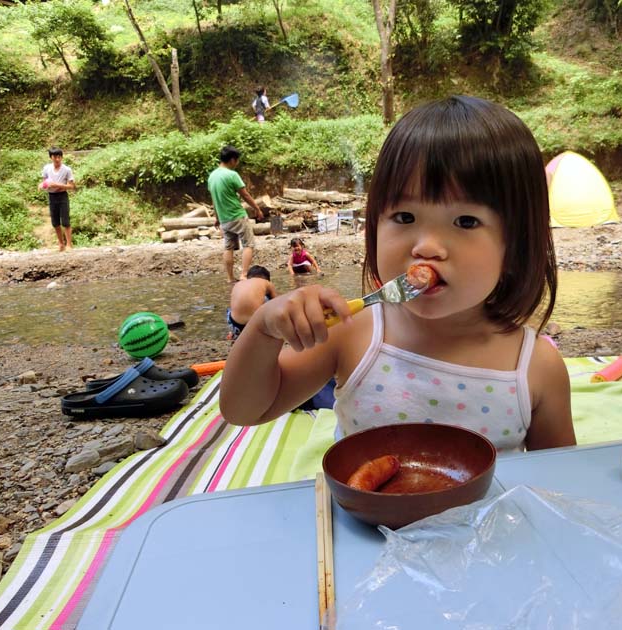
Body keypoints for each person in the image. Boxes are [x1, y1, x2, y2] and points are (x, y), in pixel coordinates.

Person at [219, 96, 576, 452]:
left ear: (515, 245)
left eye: (466, 221)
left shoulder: (535, 367)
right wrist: (264, 328)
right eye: (405, 218)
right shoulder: (352, 331)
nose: (426, 247)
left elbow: (555, 476)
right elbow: (245, 409)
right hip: (363, 507)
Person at [207, 145, 265, 283]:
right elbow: (244, 194)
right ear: (232, 160)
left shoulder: (212, 176)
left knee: (228, 247)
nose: (237, 163)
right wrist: (257, 208)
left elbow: (214, 200)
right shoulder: (232, 175)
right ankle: (244, 275)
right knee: (248, 244)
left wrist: (217, 218)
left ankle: (229, 278)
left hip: (224, 219)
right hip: (237, 216)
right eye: (237, 160)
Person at [227, 265, 277, 341]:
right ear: (268, 280)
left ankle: (233, 333)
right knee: (269, 300)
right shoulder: (267, 283)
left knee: (230, 309)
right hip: (254, 325)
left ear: (248, 278)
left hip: (235, 323)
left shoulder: (239, 284)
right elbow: (276, 303)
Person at [39, 147, 75, 251]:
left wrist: (56, 185)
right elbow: (45, 182)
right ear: (51, 157)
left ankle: (69, 244)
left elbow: (71, 186)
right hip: (52, 196)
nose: (57, 159)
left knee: (66, 221)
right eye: (55, 157)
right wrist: (42, 185)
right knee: (55, 222)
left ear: (62, 157)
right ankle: (61, 244)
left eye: (59, 157)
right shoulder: (47, 168)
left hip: (62, 195)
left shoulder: (67, 169)